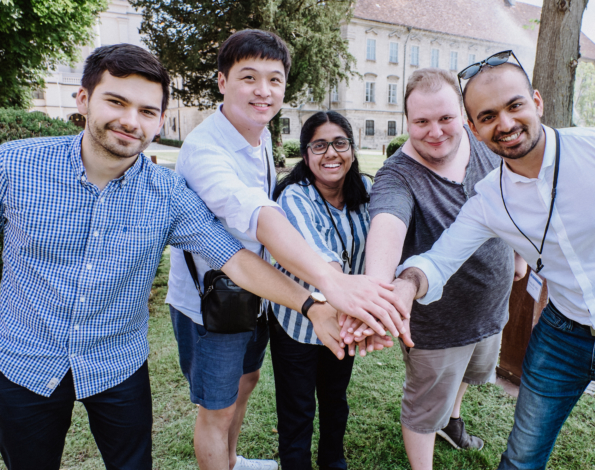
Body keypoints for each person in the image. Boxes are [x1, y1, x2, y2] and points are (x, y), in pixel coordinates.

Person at [0, 44, 343, 470]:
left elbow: (233, 257)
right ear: (84, 100)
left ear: (161, 121)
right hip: (23, 362)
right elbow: (253, 215)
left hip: (116, 364)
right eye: (116, 102)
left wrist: (311, 305)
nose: (130, 121)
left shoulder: (167, 193)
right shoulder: (14, 166)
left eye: (147, 111)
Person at [395, 51, 595, 470]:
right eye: (487, 116)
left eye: (514, 105)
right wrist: (406, 284)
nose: (504, 123)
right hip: (562, 337)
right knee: (521, 459)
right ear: (474, 128)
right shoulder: (489, 197)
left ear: (537, 102)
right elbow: (439, 259)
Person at [166, 30, 406, 470]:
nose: (263, 91)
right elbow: (258, 212)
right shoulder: (204, 149)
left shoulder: (260, 136)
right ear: (222, 81)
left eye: (274, 80)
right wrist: (330, 282)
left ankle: (233, 461)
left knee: (247, 380)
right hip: (213, 304)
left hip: (258, 294)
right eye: (249, 77)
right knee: (215, 410)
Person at [364, 68, 525, 470]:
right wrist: (376, 290)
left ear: (465, 118)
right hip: (436, 329)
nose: (434, 131)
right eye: (421, 122)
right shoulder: (396, 175)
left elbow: (518, 192)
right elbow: (387, 223)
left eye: (445, 118)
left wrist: (521, 253)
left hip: (490, 309)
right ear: (407, 122)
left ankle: (452, 422)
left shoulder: (487, 143)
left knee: (470, 376)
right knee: (423, 408)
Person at [268, 111, 391, 470]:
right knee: (298, 408)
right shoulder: (295, 197)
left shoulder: (366, 193)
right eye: (319, 145)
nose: (331, 153)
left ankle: (333, 460)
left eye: (340, 143)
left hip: (345, 321)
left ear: (352, 149)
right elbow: (326, 266)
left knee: (335, 398)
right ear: (305, 155)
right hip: (298, 320)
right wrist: (351, 301)